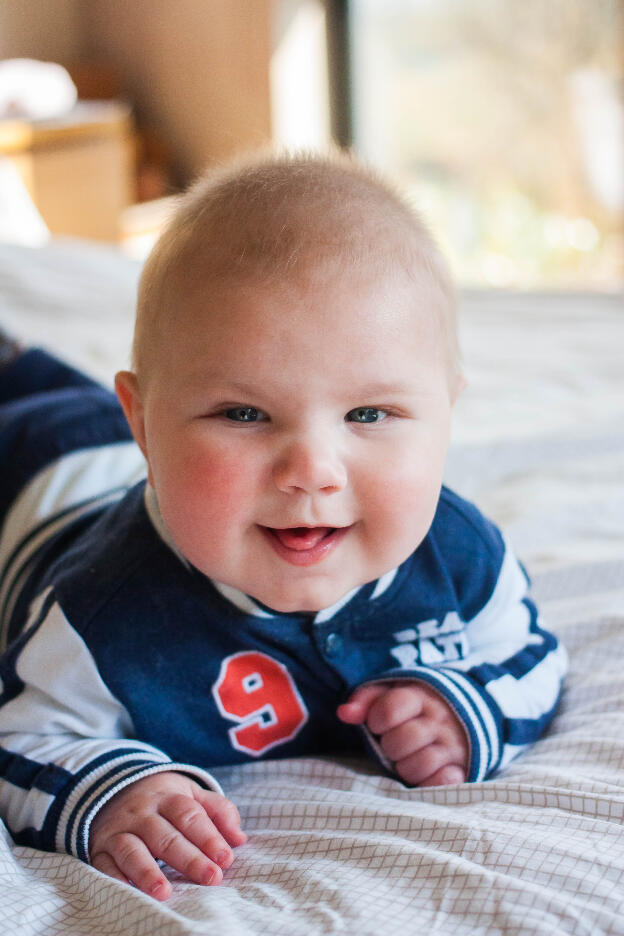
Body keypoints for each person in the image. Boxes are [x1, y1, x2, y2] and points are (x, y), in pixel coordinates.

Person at [0, 151, 567, 901]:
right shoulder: (100, 611)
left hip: (107, 448)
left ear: (446, 412)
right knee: (32, 396)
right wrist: (111, 790)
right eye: (244, 413)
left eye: (369, 414)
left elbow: (530, 654)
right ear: (147, 421)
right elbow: (20, 735)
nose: (312, 471)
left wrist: (467, 711)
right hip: (41, 466)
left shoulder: (460, 559)